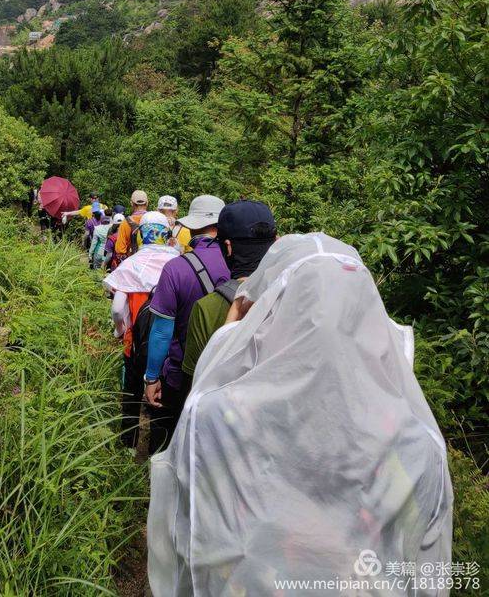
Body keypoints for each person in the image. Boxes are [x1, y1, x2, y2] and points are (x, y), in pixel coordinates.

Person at [147, 233, 453, 595]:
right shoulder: (417, 443)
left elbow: (186, 538)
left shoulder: (215, 418)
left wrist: (230, 335)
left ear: (267, 312)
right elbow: (428, 573)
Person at [143, 194, 228, 454]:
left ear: (190, 226)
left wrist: (151, 377)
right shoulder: (238, 265)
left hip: (179, 375)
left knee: (167, 443)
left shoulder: (176, 268)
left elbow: (161, 331)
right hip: (224, 377)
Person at [102, 212, 180, 450]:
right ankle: (159, 450)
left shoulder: (132, 265)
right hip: (167, 346)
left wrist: (120, 330)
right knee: (161, 400)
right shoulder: (177, 263)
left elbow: (117, 308)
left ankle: (128, 445)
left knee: (131, 395)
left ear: (141, 235)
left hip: (133, 344)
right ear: (165, 235)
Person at [182, 198, 277, 385]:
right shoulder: (291, 295)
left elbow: (193, 381)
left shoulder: (207, 308)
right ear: (275, 242)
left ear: (228, 247)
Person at [114, 190, 149, 259]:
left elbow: (120, 250)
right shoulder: (155, 219)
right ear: (147, 203)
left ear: (131, 203)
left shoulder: (125, 223)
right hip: (152, 263)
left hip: (133, 263)